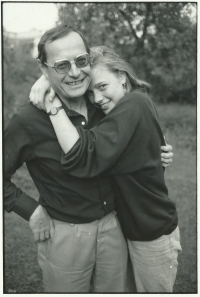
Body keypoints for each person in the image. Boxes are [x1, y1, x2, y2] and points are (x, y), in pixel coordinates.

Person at [30, 45, 181, 293]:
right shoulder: (116, 113)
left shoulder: (135, 102)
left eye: (102, 87)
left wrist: (52, 104)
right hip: (128, 231)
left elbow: (83, 155)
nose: (97, 99)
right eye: (91, 93)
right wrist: (47, 75)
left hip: (152, 233)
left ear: (122, 77)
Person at [4, 25, 130, 293]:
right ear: (43, 67)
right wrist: (30, 210)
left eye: (81, 61)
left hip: (114, 226)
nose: (75, 72)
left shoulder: (103, 101)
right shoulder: (26, 120)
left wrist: (161, 148)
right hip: (64, 235)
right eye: (61, 65)